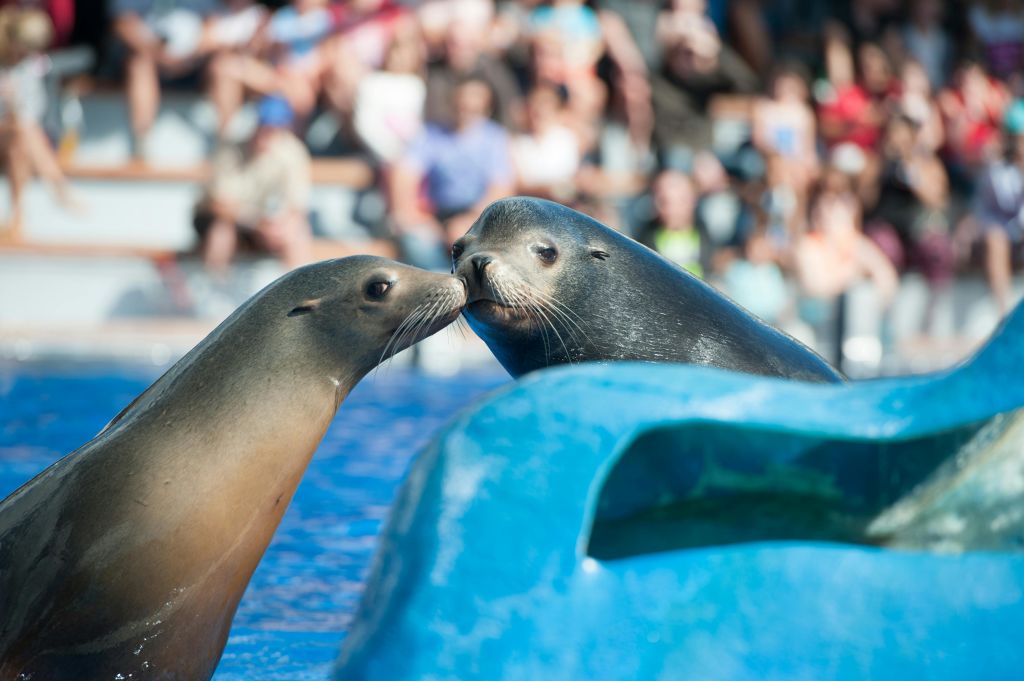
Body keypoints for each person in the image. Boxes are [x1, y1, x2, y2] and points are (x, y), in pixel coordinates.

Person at [388, 75, 513, 269]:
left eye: (474, 108)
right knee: (415, 241)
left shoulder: (495, 139)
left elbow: (500, 188)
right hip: (438, 215)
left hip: (479, 218)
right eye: (461, 106)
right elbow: (405, 173)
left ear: (486, 109)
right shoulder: (431, 135)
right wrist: (410, 213)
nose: (465, 112)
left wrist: (471, 221)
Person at [193, 96, 312, 274]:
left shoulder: (293, 153)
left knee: (296, 232)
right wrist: (258, 222)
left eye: (272, 129)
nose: (266, 133)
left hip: (263, 224)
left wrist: (276, 227)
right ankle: (213, 291)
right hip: (229, 222)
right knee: (222, 231)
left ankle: (301, 292)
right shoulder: (230, 152)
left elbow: (296, 208)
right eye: (264, 127)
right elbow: (219, 206)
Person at [0, 7, 77, 237]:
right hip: (16, 133)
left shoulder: (35, 67)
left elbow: (83, 58)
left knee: (21, 141)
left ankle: (18, 217)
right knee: (23, 132)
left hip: (23, 137)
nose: (29, 53)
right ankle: (60, 189)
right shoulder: (11, 69)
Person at [110, 0, 220, 159]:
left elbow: (212, 25)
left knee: (223, 66)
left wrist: (188, 56)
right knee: (139, 65)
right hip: (149, 57)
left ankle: (221, 144)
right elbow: (122, 24)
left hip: (193, 63)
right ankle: (142, 141)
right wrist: (158, 54)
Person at [973, 102, 1024, 314]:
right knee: (996, 239)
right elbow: (1002, 207)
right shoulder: (997, 169)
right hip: (1003, 233)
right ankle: (1003, 312)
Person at [511, 84, 581, 201]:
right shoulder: (517, 143)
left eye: (546, 105)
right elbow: (518, 185)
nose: (540, 111)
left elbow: (575, 180)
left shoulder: (567, 139)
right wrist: (550, 189)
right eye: (536, 105)